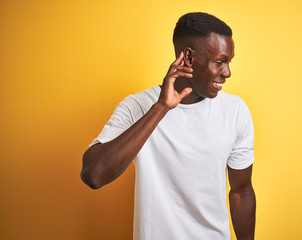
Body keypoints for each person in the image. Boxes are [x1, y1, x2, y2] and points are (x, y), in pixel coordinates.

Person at [81, 12, 256, 240]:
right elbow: (94, 175)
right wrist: (161, 107)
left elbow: (241, 192)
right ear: (189, 58)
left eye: (229, 62)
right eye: (220, 62)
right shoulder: (138, 106)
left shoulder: (235, 111)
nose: (227, 72)